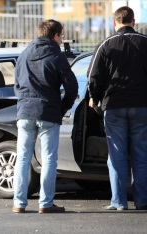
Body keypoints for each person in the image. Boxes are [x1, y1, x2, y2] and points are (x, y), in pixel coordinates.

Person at [13, 19, 78, 213]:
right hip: (48, 112)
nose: (62, 40)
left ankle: (19, 203)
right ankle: (46, 203)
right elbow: (72, 87)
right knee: (49, 159)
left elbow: (17, 84)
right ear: (55, 35)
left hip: (24, 112)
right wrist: (62, 108)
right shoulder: (56, 55)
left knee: (23, 159)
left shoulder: (24, 54)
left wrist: (24, 101)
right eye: (62, 36)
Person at [87, 6, 147, 211]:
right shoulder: (145, 42)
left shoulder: (106, 44)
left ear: (115, 22)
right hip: (142, 105)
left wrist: (94, 97)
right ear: (133, 21)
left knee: (117, 155)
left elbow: (93, 76)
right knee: (141, 154)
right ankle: (142, 200)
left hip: (114, 106)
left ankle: (119, 202)